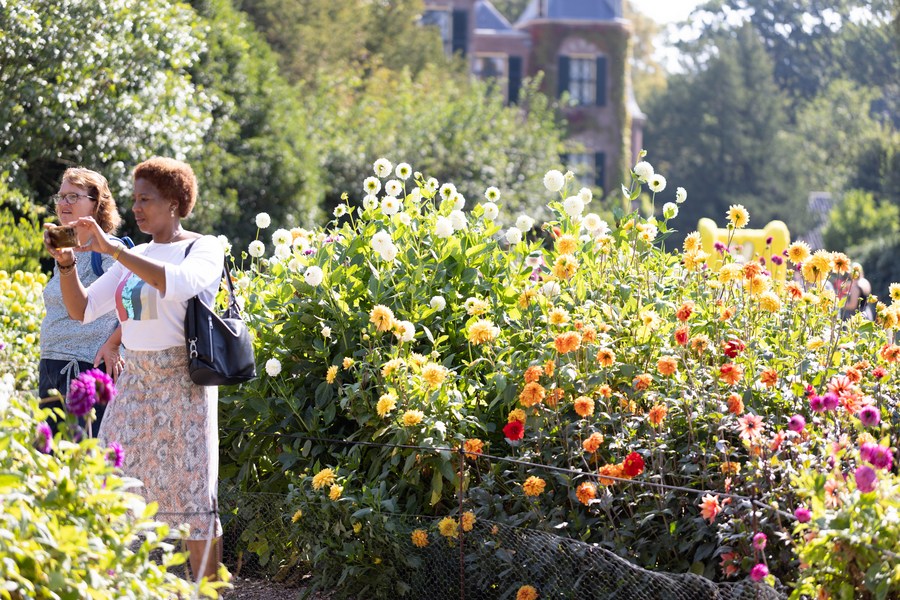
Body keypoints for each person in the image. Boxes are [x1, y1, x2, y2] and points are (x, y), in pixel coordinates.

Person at [44, 157, 224, 581]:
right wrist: (67, 262)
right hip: (135, 385)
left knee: (193, 497)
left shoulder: (204, 247)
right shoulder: (136, 252)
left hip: (185, 387)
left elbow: (176, 283)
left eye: (147, 199)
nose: (137, 208)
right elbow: (83, 309)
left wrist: (112, 250)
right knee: (110, 488)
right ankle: (109, 587)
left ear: (176, 203)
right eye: (135, 199)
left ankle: (207, 592)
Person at [39, 168, 126, 437]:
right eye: (61, 196)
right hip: (52, 364)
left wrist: (114, 345)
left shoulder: (110, 249)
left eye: (73, 196)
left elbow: (137, 301)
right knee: (50, 462)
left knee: (82, 459)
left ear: (96, 203)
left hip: (86, 370)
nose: (63, 203)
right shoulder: (64, 250)